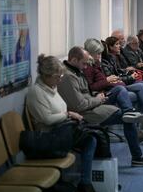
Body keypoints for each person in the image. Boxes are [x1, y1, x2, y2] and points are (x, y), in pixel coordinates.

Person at [57, 46, 143, 167]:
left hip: (92, 103)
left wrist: (97, 96)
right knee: (127, 119)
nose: (85, 67)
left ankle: (129, 112)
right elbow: (79, 105)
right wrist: (98, 99)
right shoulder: (69, 77)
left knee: (119, 90)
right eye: (84, 64)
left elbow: (86, 93)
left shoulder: (76, 72)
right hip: (86, 113)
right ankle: (137, 157)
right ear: (73, 60)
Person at [26, 54, 97, 192]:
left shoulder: (51, 88)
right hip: (49, 136)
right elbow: (46, 119)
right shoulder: (37, 92)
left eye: (61, 77)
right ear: (46, 76)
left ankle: (84, 181)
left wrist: (67, 115)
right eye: (57, 77)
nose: (60, 80)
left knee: (92, 135)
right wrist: (68, 114)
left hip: (61, 129)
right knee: (91, 138)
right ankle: (85, 183)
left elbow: (59, 111)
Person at [83, 38, 143, 134]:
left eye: (100, 53)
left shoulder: (102, 62)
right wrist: (110, 80)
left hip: (115, 85)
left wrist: (121, 75)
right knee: (139, 88)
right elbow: (92, 86)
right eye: (97, 54)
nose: (99, 56)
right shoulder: (91, 66)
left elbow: (114, 73)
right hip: (110, 90)